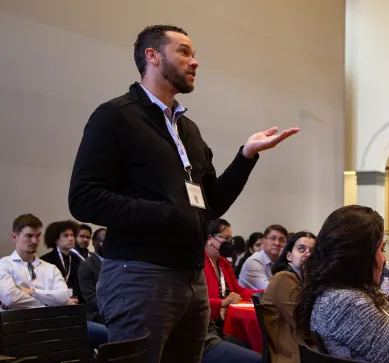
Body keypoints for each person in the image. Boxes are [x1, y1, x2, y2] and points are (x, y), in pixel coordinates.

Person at [68, 24, 299, 363]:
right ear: (153, 56)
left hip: (191, 281)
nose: (195, 62)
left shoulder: (187, 130)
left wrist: (246, 156)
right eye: (185, 52)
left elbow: (211, 203)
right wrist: (164, 212)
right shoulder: (116, 116)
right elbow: (84, 197)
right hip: (139, 275)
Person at [295, 206, 389, 363]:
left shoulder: (357, 292)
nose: (384, 259)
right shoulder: (345, 302)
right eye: (381, 249)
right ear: (359, 255)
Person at [0, 214, 108, 349]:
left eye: (38, 235)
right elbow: (10, 298)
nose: (35, 241)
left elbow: (63, 297)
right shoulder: (4, 265)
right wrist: (50, 304)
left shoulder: (50, 268)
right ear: (14, 237)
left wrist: (31, 292)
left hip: (56, 322)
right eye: (29, 236)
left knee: (107, 334)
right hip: (20, 325)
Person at [262, 231, 316, 363]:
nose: (308, 254)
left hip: (303, 348)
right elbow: (303, 326)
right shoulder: (284, 278)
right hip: (292, 354)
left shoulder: (304, 279)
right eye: (301, 249)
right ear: (289, 255)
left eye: (313, 251)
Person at [204, 219, 258, 327]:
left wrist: (264, 293)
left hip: (226, 321)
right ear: (209, 238)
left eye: (230, 240)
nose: (229, 243)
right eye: (225, 238)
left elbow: (238, 291)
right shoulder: (199, 263)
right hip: (207, 324)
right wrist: (223, 303)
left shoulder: (223, 262)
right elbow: (196, 302)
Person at [40, 220, 83, 303]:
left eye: (72, 235)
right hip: (56, 303)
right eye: (66, 236)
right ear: (56, 240)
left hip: (76, 302)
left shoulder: (77, 259)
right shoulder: (46, 260)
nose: (71, 238)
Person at [239, 225, 288, 290]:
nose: (277, 243)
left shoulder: (283, 261)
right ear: (264, 241)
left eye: (281, 240)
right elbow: (271, 291)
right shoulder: (254, 262)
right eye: (273, 238)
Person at [78, 227, 106, 323]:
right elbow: (91, 299)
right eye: (103, 242)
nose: (107, 245)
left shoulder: (116, 263)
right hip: (97, 313)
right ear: (94, 243)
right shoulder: (86, 265)